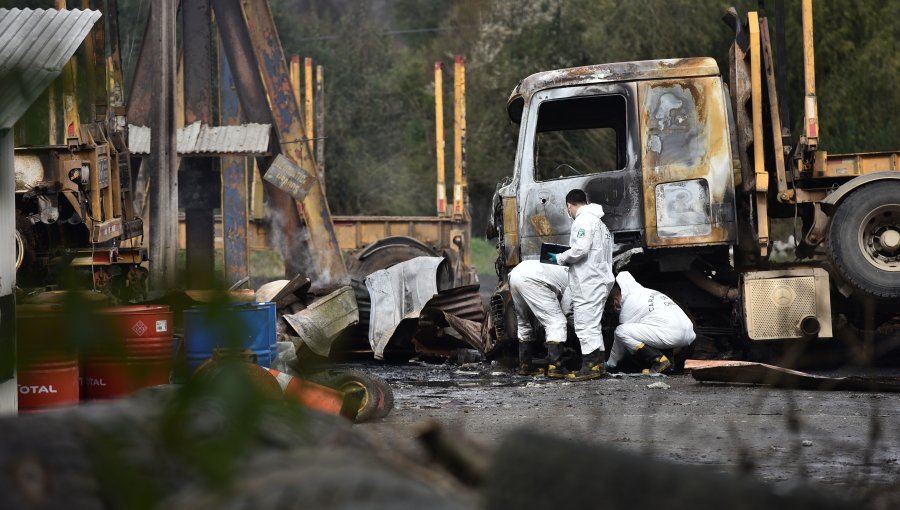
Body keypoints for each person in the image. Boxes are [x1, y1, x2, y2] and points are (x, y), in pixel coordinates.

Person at [546, 189, 613, 380]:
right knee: (593, 324)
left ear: (569, 205)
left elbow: (580, 249)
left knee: (585, 324)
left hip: (589, 280)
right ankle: (598, 366)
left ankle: (590, 368)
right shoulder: (600, 223)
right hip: (599, 278)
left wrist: (559, 257)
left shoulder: (583, 221)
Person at [606, 271, 696, 374]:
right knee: (654, 328)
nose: (614, 309)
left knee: (621, 331)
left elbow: (621, 341)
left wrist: (611, 364)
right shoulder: (647, 292)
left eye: (612, 306)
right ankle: (669, 364)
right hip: (689, 334)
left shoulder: (629, 304)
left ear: (615, 300)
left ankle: (658, 361)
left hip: (672, 334)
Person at [508, 260, 571, 376]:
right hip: (533, 279)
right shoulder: (576, 277)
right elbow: (566, 307)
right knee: (556, 321)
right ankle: (555, 367)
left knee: (524, 322)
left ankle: (525, 365)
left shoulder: (562, 267)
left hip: (516, 274)